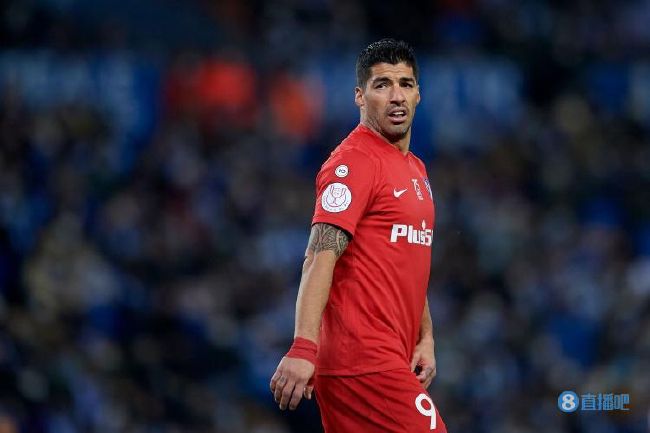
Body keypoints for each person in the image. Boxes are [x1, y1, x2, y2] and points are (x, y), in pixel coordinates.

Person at [270, 38, 447, 433]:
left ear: (419, 93)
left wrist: (426, 337)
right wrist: (303, 348)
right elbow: (319, 255)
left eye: (405, 83)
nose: (396, 96)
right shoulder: (355, 162)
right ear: (359, 96)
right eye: (382, 84)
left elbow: (406, 258)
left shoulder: (414, 168)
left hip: (389, 358)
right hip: (362, 359)